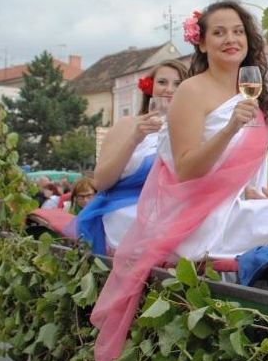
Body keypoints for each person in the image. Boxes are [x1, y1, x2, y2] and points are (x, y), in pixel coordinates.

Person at [91, 0, 268, 361]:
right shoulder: (191, 91)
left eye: (238, 31)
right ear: (203, 43)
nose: (231, 39)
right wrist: (229, 129)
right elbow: (188, 168)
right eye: (219, 32)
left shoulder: (251, 87)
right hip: (200, 218)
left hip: (237, 205)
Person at [75, 60, 187, 254]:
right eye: (162, 82)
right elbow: (101, 182)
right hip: (125, 214)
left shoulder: (190, 130)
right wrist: (134, 139)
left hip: (171, 212)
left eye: (178, 84)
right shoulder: (127, 125)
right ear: (150, 87)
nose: (169, 89)